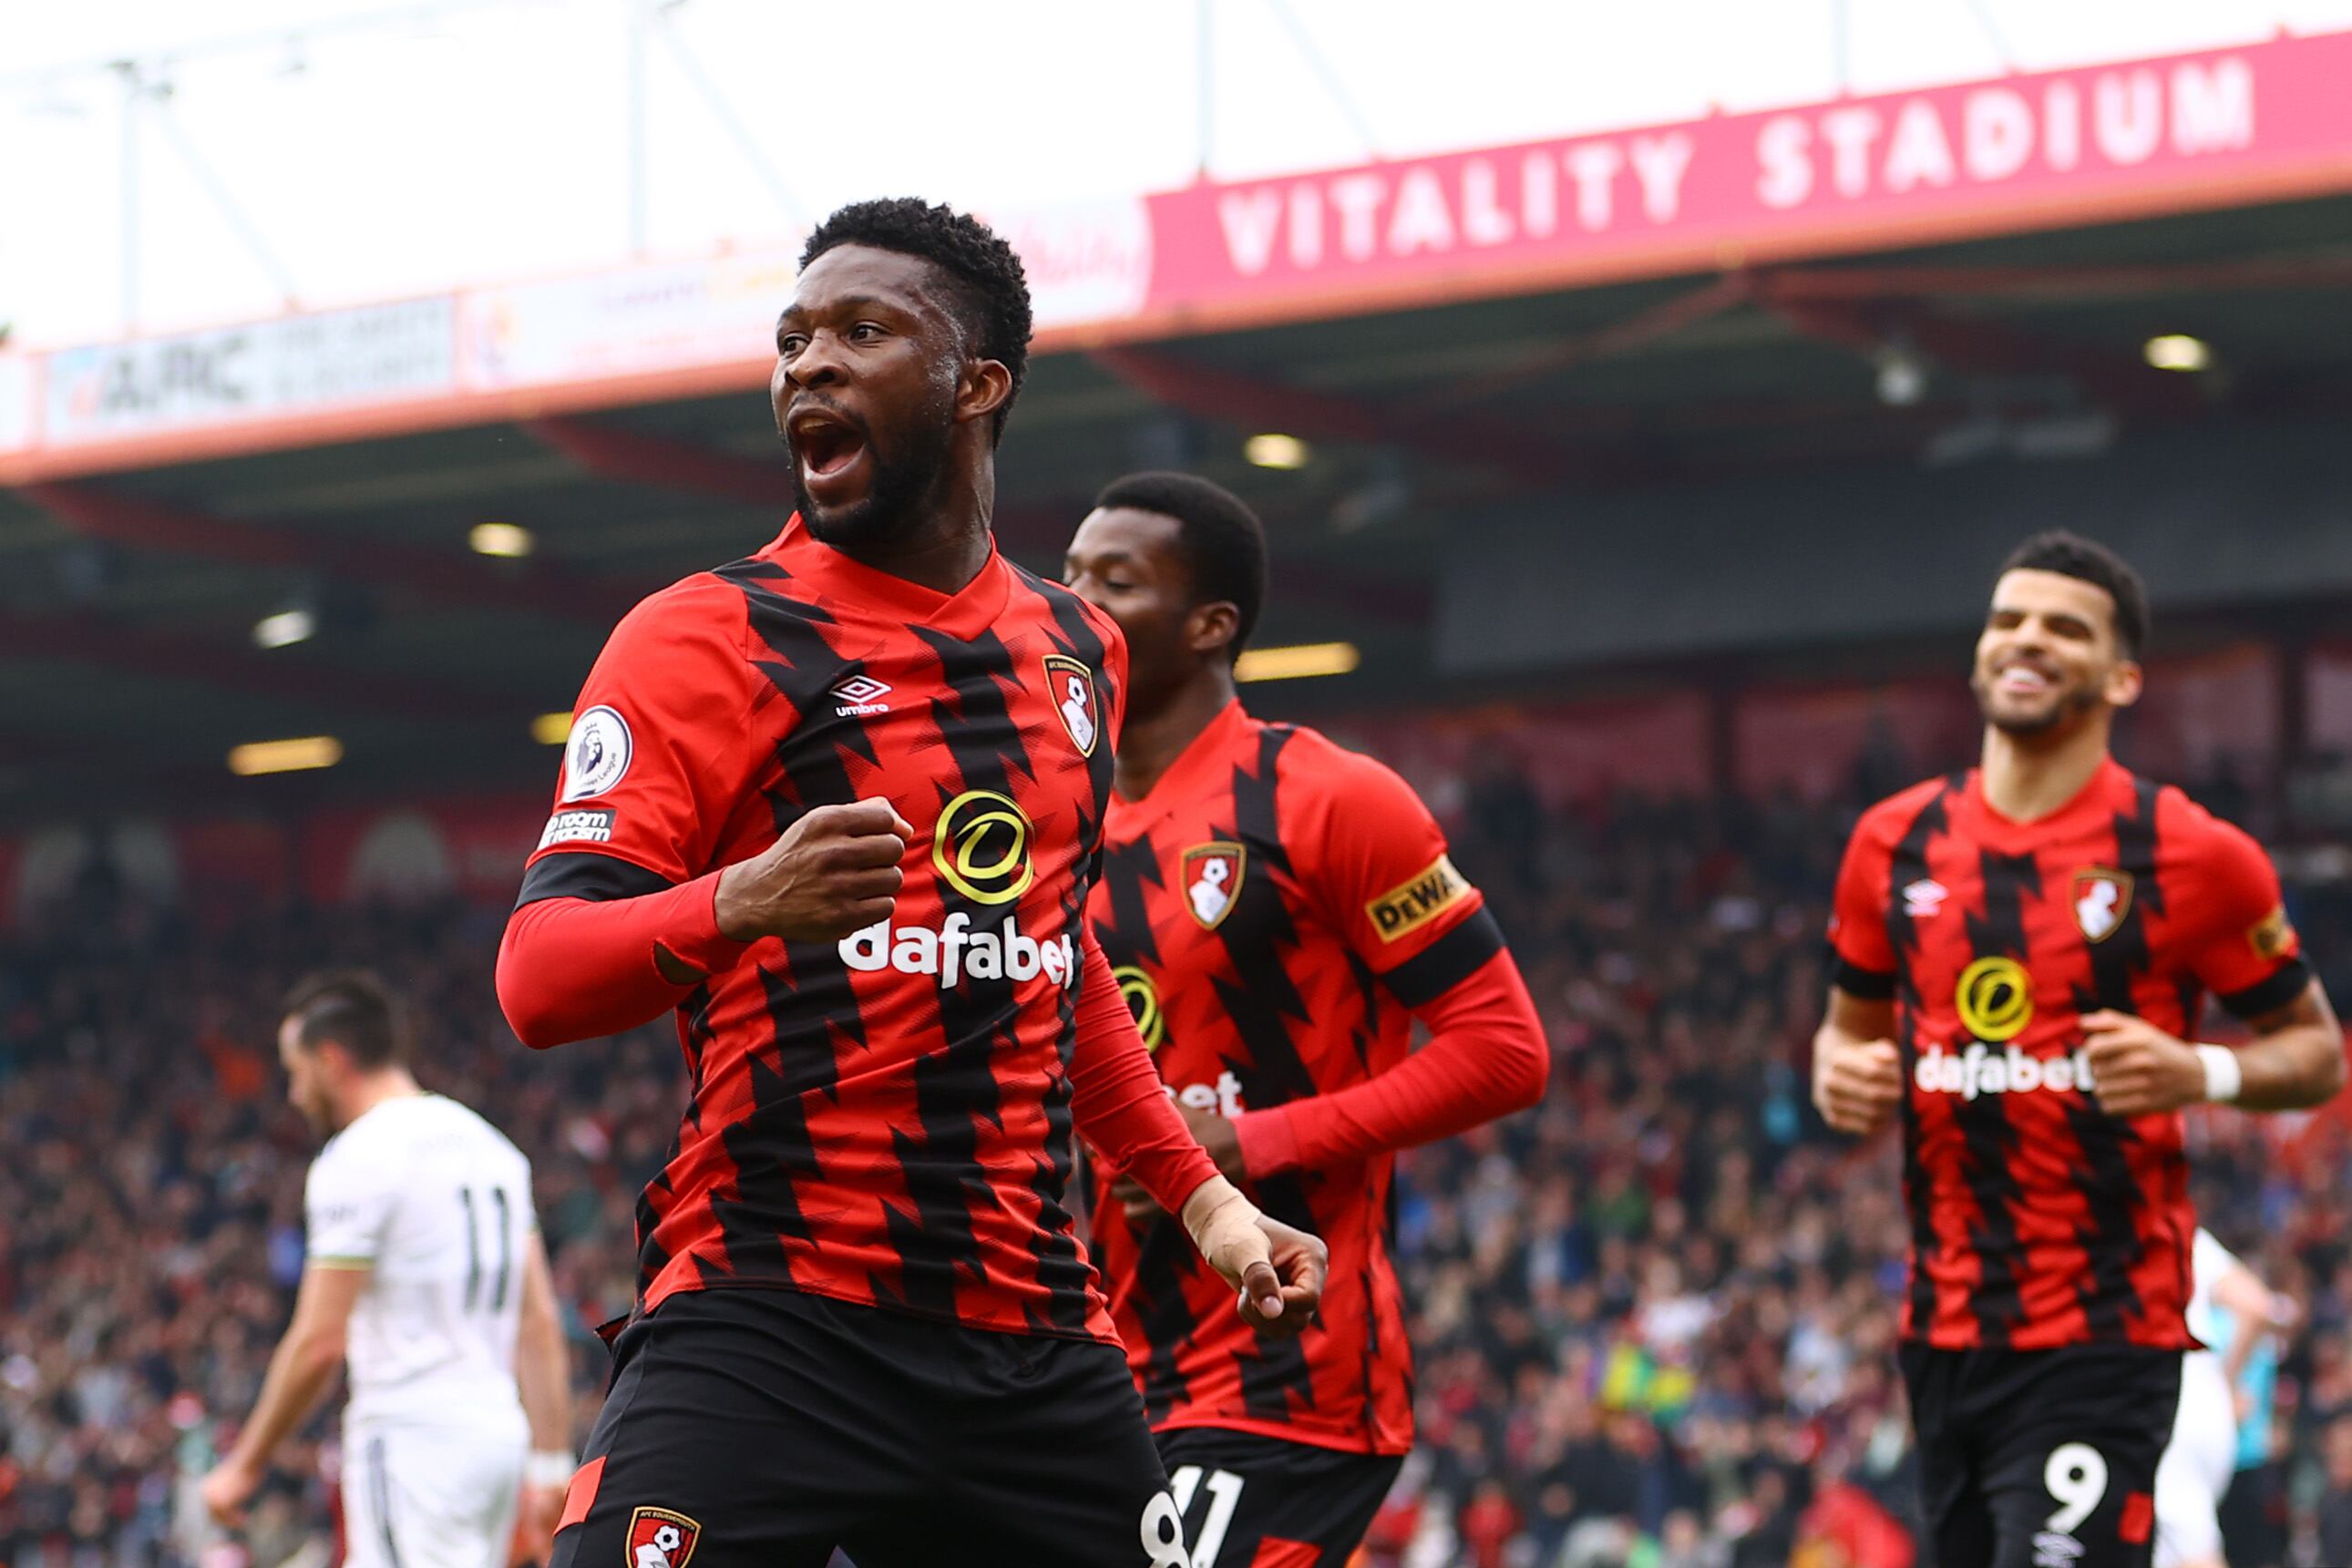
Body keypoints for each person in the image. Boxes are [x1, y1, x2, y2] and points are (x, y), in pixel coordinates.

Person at [494, 199, 1327, 1568]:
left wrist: (1209, 1203)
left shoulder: (1078, 652)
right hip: (773, 1312)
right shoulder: (706, 636)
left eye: (862, 332)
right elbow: (536, 978)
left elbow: (1053, 974)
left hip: (1030, 1340)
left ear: (977, 384)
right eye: (792, 339)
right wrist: (741, 900)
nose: (807, 365)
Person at [1811, 529, 2344, 1568]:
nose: (2028, 638)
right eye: (2009, 618)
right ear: (1977, 654)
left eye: (2065, 626)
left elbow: (2315, 1051)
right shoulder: (1892, 841)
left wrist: (2204, 1070)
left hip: (2105, 1330)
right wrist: (1839, 1074)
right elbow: (1846, 1034)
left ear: (2123, 675)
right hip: (1944, 1331)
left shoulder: (2192, 853)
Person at [1063, 473, 1549, 1566]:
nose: (1077, 603)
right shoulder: (1051, 818)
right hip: (1093, 1365)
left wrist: (1249, 1144)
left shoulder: (1326, 797)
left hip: (1283, 1374)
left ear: (1210, 624)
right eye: (1072, 574)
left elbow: (1505, 1048)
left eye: (1116, 580)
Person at [200, 971, 575, 1568]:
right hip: (497, 1438)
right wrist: (553, 1460)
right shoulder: (491, 1147)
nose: (295, 1094)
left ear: (331, 1059)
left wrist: (244, 1463)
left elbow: (319, 1342)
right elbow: (537, 1321)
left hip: (412, 1442)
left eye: (295, 1072)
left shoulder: (357, 1159)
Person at [2153, 1228, 2295, 1568]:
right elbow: (2258, 1305)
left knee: (2195, 1551)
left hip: (2172, 1412)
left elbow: (2261, 1306)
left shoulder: (2150, 1226)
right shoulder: (2185, 1234)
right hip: (2206, 1413)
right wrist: (2225, 1384)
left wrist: (2226, 1382)